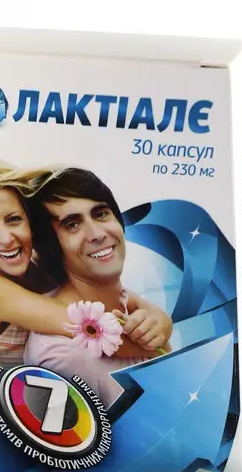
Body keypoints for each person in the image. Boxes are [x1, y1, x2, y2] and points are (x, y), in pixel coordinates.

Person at [0, 158, 171, 368]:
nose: (6, 238)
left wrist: (159, 320)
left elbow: (122, 296)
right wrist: (157, 345)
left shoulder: (33, 267)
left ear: (29, 223)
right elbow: (93, 332)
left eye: (13, 219)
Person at [24, 168, 171, 405]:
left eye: (101, 214)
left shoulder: (131, 306)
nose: (97, 234)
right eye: (72, 224)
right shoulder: (65, 356)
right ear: (50, 247)